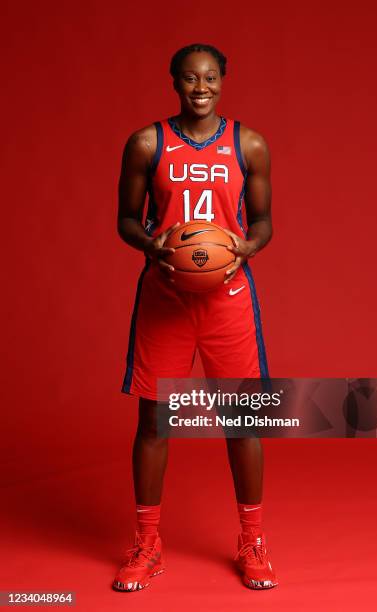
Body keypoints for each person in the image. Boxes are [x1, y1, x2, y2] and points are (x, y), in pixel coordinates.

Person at [113, 43, 278, 592]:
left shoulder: (248, 143)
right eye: (189, 79)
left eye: (210, 78)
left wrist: (244, 247)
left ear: (223, 81)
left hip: (229, 298)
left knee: (242, 421)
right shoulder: (146, 143)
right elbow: (125, 221)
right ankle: (147, 542)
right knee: (155, 421)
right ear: (174, 83)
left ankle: (252, 540)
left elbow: (264, 223)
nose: (200, 88)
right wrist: (152, 241)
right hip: (166, 296)